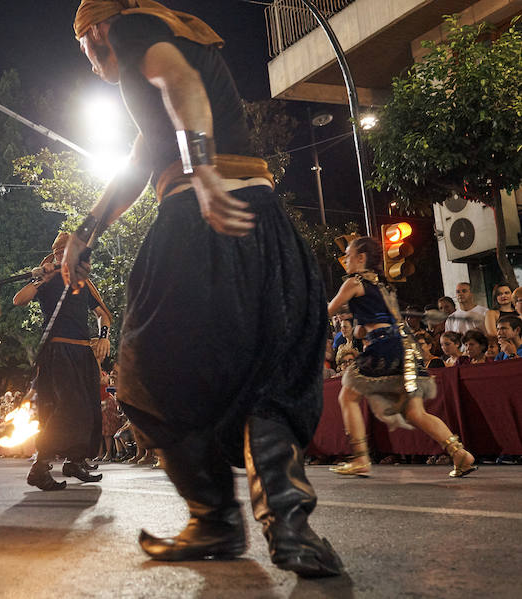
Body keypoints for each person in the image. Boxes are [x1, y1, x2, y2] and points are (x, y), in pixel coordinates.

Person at [65, 1, 341, 577]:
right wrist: (88, 229)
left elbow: (178, 80)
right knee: (270, 373)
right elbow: (145, 154)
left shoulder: (137, 30)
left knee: (147, 375)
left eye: (84, 49)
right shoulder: (177, 36)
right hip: (264, 220)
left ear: (96, 32)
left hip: (200, 219)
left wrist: (202, 168)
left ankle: (214, 517)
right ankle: (290, 529)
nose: (91, 65)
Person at [328, 237, 476, 480]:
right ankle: (459, 453)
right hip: (406, 348)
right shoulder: (382, 287)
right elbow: (365, 329)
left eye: (348, 254)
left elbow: (329, 310)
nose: (345, 259)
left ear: (362, 258)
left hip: (385, 346)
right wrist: (360, 326)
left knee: (347, 394)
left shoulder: (354, 282)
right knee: (415, 412)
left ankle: (360, 458)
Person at [14, 232, 111, 490]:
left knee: (88, 409)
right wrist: (39, 279)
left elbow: (104, 314)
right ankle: (41, 466)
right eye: (57, 251)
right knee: (66, 407)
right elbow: (19, 300)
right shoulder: (47, 278)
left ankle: (75, 461)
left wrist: (103, 337)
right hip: (57, 351)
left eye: (65, 250)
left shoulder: (84, 282)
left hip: (82, 352)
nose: (61, 255)